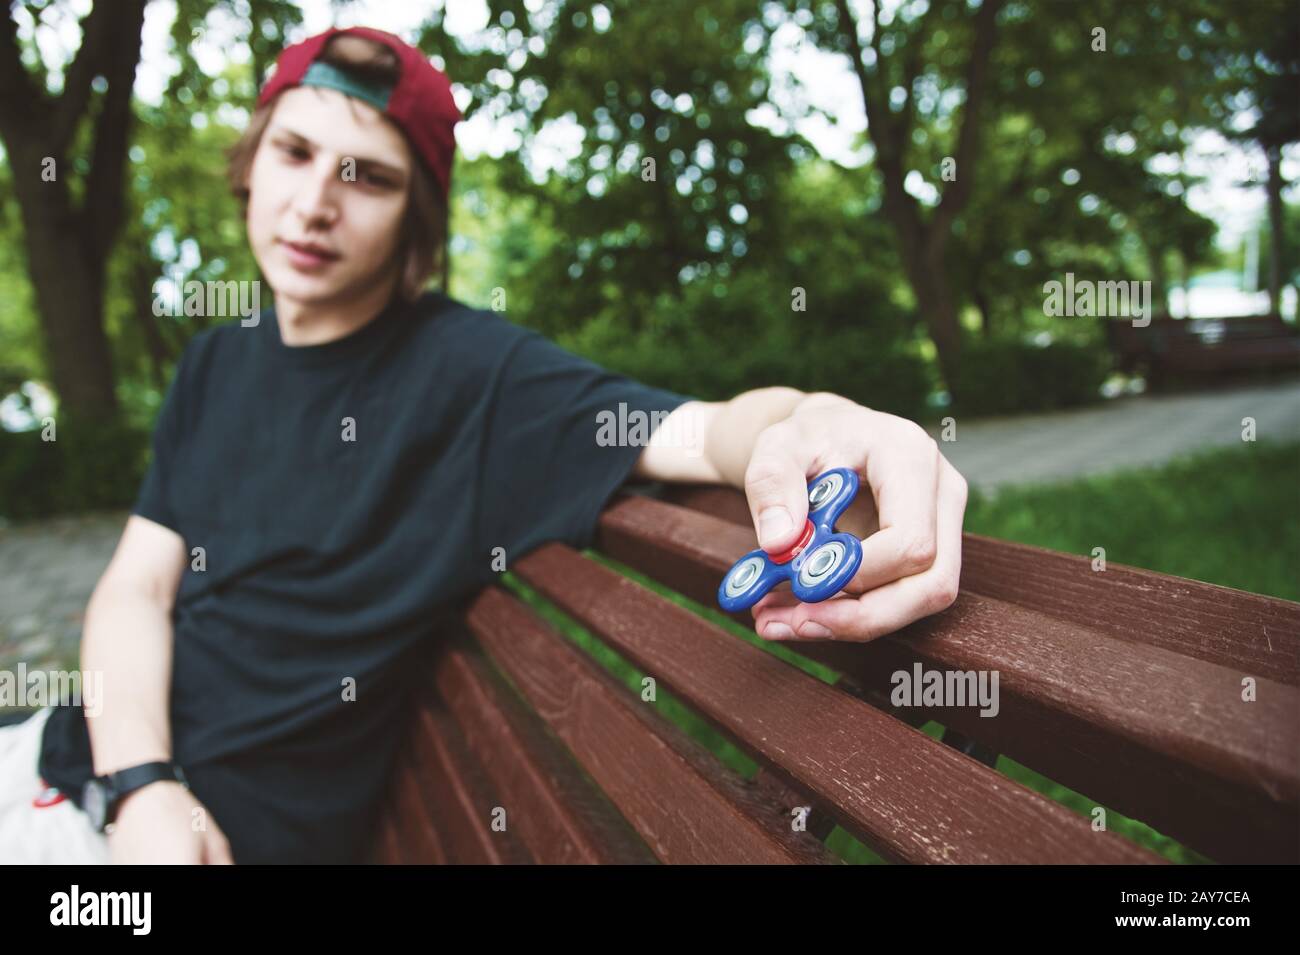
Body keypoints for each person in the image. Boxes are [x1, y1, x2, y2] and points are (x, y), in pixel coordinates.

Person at [3, 26, 967, 865]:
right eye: (293, 152)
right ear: (253, 158)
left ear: (415, 216)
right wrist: (140, 779)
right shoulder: (215, 362)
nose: (311, 206)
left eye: (366, 178)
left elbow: (706, 429)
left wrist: (816, 421)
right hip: (90, 767)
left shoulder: (474, 375)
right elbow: (137, 587)